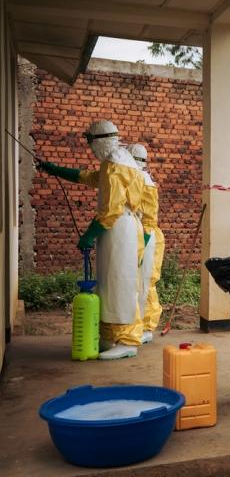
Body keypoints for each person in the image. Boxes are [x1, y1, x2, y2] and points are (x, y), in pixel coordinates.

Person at [37, 120, 145, 360]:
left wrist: (88, 235)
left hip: (119, 227)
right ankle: (110, 335)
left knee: (120, 283)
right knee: (109, 282)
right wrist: (56, 170)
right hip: (117, 228)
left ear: (100, 141)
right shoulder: (117, 160)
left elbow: (111, 209)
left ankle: (127, 340)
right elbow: (90, 177)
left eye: (91, 142)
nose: (90, 149)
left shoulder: (116, 165)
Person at [128, 143, 164, 344]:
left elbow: (149, 219)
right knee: (139, 283)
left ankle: (148, 327)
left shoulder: (144, 182)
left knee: (147, 283)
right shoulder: (136, 179)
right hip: (142, 235)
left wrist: (143, 247)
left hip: (148, 237)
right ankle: (140, 325)